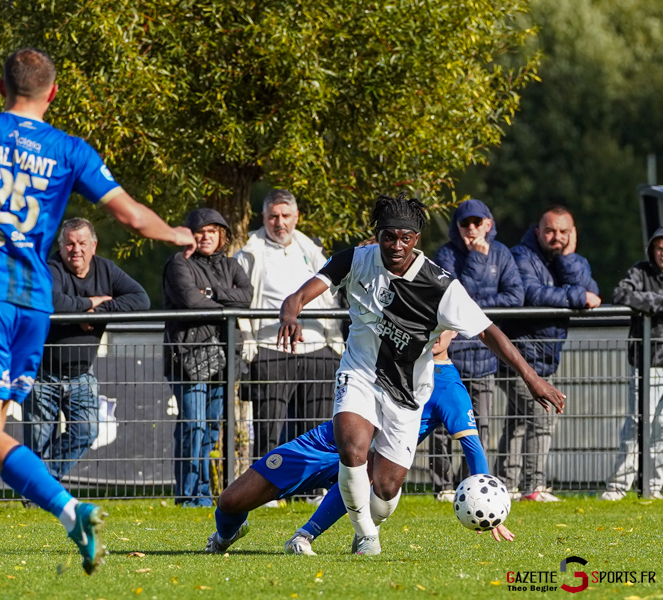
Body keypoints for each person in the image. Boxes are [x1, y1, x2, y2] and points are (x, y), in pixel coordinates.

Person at [0, 47, 195, 580]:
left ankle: (71, 512)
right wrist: (176, 233)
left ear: (0, 88)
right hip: (34, 304)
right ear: (53, 93)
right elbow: (131, 216)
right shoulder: (70, 149)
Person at [274, 192, 564, 556]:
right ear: (377, 235)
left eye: (405, 238)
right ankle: (363, 535)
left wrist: (530, 377)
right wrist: (291, 312)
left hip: (407, 394)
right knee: (353, 449)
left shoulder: (441, 286)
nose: (396, 245)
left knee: (385, 490)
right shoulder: (356, 260)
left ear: (417, 239)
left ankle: (366, 524)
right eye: (388, 236)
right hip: (360, 373)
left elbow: (490, 332)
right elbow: (299, 295)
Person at [204, 330, 515, 556]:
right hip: (325, 442)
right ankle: (224, 536)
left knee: (370, 472)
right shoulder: (392, 361)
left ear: (455, 331)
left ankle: (306, 537)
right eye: (430, 324)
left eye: (443, 327)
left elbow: (473, 447)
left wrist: (488, 505)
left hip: (369, 461)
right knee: (231, 501)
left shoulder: (451, 391)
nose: (435, 335)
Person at [22, 217, 149, 482]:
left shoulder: (107, 270)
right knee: (36, 442)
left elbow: (140, 299)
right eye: (69, 243)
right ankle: (35, 495)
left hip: (81, 374)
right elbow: (52, 301)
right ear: (61, 246)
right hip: (42, 373)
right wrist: (89, 303)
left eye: (82, 243)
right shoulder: (50, 268)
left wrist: (99, 312)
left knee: (87, 430)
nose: (75, 249)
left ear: (94, 245)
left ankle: (38, 483)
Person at [496, 206, 600, 502]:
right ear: (538, 231)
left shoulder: (571, 260)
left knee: (518, 420)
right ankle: (533, 487)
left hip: (545, 357)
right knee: (540, 415)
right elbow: (529, 293)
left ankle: (505, 485)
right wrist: (577, 298)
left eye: (563, 232)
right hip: (516, 353)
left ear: (572, 234)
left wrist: (569, 257)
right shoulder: (520, 255)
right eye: (551, 231)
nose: (556, 237)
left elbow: (592, 289)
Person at [235, 189, 343, 462]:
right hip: (269, 348)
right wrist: (249, 341)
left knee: (317, 427)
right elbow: (239, 303)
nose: (279, 222)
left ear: (297, 217)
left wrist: (334, 342)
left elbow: (331, 296)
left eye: (285, 216)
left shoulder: (314, 251)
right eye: (273, 216)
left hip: (319, 347)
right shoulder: (248, 254)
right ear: (264, 218)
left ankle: (313, 488)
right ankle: (265, 492)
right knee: (268, 428)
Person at [430, 199, 523, 501]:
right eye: (465, 223)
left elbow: (515, 297)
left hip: (484, 358)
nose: (471, 229)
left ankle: (466, 484)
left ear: (488, 224)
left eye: (477, 222)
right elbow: (449, 298)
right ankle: (441, 486)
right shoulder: (445, 255)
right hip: (449, 356)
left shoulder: (501, 254)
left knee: (477, 427)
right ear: (456, 227)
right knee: (441, 428)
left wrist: (475, 310)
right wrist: (475, 261)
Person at [163, 208, 253, 507]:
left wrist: (211, 292)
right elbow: (189, 300)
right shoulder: (179, 264)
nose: (206, 236)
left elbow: (247, 296)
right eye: (200, 231)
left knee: (212, 426)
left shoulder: (232, 264)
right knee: (194, 424)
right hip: (188, 357)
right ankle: (190, 495)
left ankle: (204, 490)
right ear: (189, 235)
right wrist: (225, 298)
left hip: (226, 358)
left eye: (212, 231)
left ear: (221, 235)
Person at [600, 227, 663, 501]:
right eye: (659, 248)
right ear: (651, 250)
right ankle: (618, 486)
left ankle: (655, 486)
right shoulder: (640, 271)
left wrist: (648, 304)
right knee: (637, 423)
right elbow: (621, 295)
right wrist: (658, 303)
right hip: (646, 362)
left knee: (662, 427)